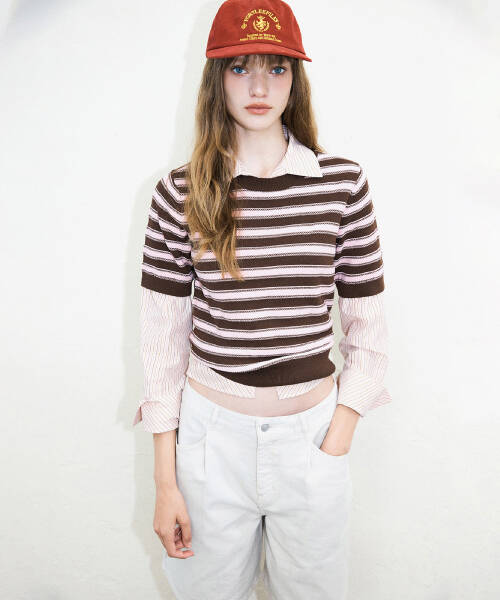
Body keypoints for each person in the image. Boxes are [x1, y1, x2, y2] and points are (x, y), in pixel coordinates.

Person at [133, 1, 392, 598]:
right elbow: (162, 345)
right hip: (210, 445)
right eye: (240, 67)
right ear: (215, 78)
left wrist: (337, 436)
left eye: (276, 68)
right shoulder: (179, 193)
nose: (258, 87)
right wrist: (166, 482)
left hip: (313, 439)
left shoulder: (342, 185)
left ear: (296, 79)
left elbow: (369, 330)